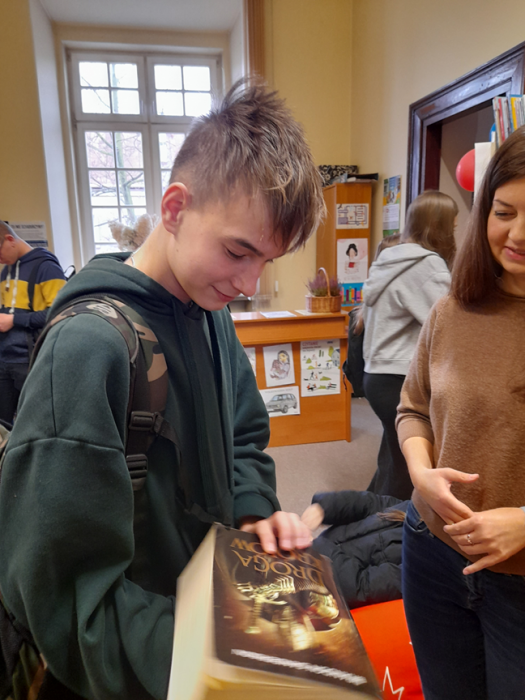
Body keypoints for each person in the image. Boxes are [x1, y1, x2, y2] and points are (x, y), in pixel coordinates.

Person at [0, 80, 323, 700]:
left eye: (267, 261)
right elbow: (69, 605)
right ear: (174, 209)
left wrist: (253, 510)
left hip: (206, 605)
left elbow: (244, 431)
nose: (250, 283)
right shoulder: (87, 350)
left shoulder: (210, 308)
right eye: (238, 251)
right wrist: (218, 653)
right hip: (143, 669)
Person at [397, 125, 525, 699]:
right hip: (431, 552)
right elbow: (413, 408)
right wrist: (420, 472)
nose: (517, 234)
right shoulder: (452, 309)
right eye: (504, 212)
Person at [361, 191, 457, 499]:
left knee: (392, 456)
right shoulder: (427, 265)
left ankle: (362, 512)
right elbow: (449, 324)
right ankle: (381, 524)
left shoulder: (389, 259)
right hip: (399, 377)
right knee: (409, 468)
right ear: (441, 226)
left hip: (376, 375)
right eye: (453, 225)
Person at [0, 221, 66, 424]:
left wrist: (14, 320)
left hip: (30, 360)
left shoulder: (47, 268)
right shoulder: (6, 271)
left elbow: (60, 313)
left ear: (10, 240)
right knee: (4, 423)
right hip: (4, 358)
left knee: (32, 421)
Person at [301, 490, 407, 610]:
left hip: (323, 595)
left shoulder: (421, 567)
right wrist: (325, 507)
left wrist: (318, 548)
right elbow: (370, 503)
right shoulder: (417, 509)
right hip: (318, 557)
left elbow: (359, 588)